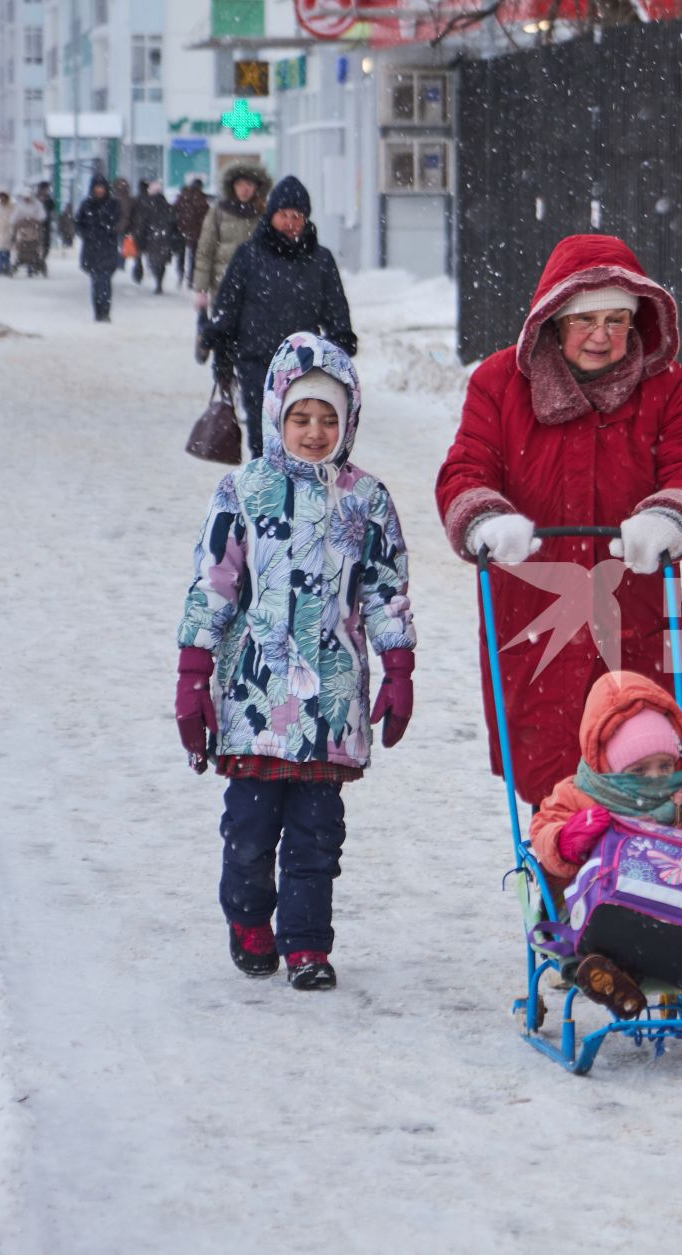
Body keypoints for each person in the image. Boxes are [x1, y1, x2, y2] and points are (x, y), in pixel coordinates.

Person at [435, 233, 682, 811]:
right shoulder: (498, 385)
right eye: (586, 319)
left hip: (632, 614)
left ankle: (637, 885)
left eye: (618, 319)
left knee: (645, 762)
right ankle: (561, 886)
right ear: (554, 320)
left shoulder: (661, 388)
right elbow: (466, 469)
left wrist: (668, 516)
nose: (602, 335)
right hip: (537, 621)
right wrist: (486, 518)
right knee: (553, 783)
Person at [174, 333, 416, 992]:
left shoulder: (366, 499)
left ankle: (307, 942)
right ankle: (250, 918)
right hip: (256, 697)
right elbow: (213, 584)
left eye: (329, 418)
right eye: (301, 417)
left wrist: (399, 668)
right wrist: (194, 676)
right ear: (276, 415)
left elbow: (386, 590)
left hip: (330, 702)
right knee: (250, 828)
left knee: (317, 835)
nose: (314, 431)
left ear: (350, 422)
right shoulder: (244, 490)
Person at [528, 671, 682, 1019]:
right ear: (609, 766)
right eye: (640, 769)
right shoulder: (579, 795)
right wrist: (567, 839)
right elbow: (543, 831)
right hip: (601, 911)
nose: (657, 777)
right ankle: (607, 978)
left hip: (679, 908)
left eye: (665, 765)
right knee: (579, 944)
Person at [204, 176, 357, 458]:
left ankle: (298, 499)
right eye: (283, 215)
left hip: (305, 368)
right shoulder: (248, 255)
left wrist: (340, 347)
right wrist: (222, 352)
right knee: (263, 440)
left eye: (297, 216)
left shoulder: (320, 260)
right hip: (256, 364)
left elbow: (336, 311)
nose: (290, 222)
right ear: (271, 215)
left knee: (302, 442)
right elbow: (228, 306)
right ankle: (264, 497)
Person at [193, 163, 273, 365]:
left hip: (256, 288)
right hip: (223, 286)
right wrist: (201, 289)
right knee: (223, 334)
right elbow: (205, 251)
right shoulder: (219, 212)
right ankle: (224, 379)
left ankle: (251, 382)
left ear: (257, 187)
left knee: (253, 338)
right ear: (232, 186)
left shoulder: (264, 214)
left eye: (249, 184)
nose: (245, 189)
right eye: (240, 184)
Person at [73, 175, 123, 322]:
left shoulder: (113, 204)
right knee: (96, 283)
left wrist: (111, 230)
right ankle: (98, 311)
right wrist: (86, 234)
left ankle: (105, 311)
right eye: (97, 187)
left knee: (105, 281)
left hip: (108, 249)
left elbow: (119, 222)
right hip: (92, 249)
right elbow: (78, 223)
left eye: (102, 187)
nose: (100, 190)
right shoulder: (87, 205)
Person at [133, 180, 179, 294]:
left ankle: (157, 281)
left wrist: (140, 238)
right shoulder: (167, 205)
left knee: (154, 261)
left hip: (152, 237)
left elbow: (143, 223)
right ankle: (159, 281)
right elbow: (174, 222)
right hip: (164, 237)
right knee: (162, 262)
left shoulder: (147, 206)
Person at [174, 177, 211, 286]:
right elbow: (206, 215)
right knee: (193, 256)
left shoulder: (183, 196)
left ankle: (181, 274)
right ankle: (190, 277)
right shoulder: (201, 199)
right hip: (196, 232)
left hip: (181, 230)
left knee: (181, 255)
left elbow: (175, 211)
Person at [111, 175, 135, 279]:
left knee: (118, 245)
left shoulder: (113, 198)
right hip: (125, 226)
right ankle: (121, 263)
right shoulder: (129, 199)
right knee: (122, 246)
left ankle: (118, 263)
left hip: (117, 226)